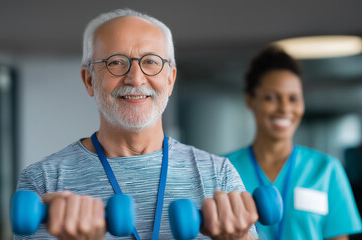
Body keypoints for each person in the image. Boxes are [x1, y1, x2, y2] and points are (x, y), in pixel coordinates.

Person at [15, 9, 259, 240]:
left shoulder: (219, 174)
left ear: (170, 79)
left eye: (151, 61)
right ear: (89, 80)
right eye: (116, 62)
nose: (136, 78)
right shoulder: (43, 182)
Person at [225, 46, 362, 240]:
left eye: (293, 98)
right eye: (271, 97)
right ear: (250, 100)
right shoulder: (222, 169)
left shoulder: (327, 170)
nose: (284, 108)